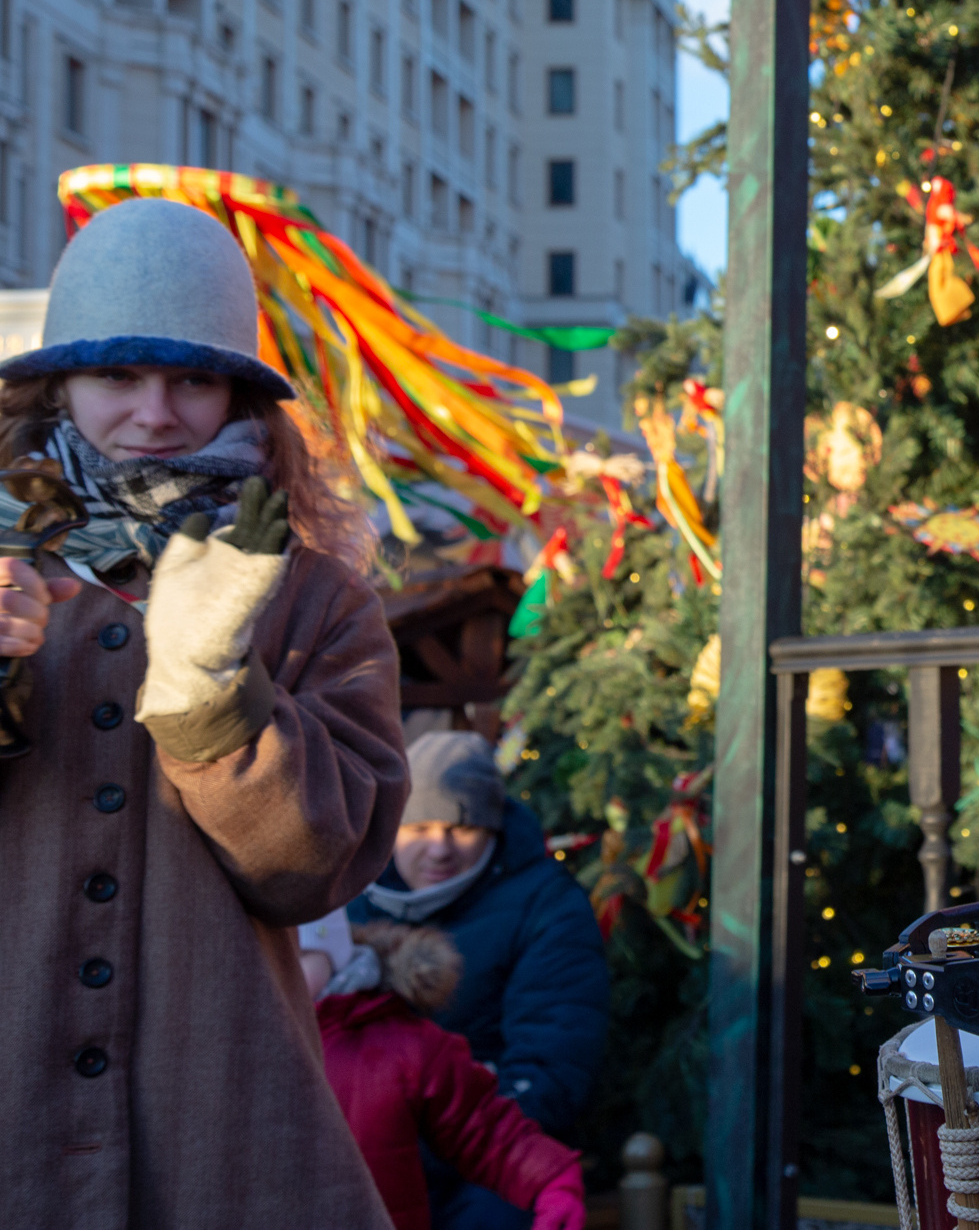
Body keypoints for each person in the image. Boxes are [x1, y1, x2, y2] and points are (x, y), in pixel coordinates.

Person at [0, 196, 410, 1230]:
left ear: (239, 391)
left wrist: (212, 704)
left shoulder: (317, 595)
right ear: (57, 384)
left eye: (191, 376)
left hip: (220, 1134)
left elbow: (317, 867)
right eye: (117, 376)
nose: (154, 413)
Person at [350, 729, 611, 1230]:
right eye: (419, 827)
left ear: (494, 829)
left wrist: (447, 1143)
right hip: (369, 1144)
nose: (439, 849)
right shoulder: (351, 900)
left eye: (462, 828)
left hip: (493, 1149)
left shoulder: (547, 905)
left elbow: (553, 1059)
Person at [298, 909, 588, 1230]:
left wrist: (551, 1181)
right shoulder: (236, 1052)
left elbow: (486, 1132)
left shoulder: (402, 1046)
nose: (277, 975)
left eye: (298, 956)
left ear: (334, 954)